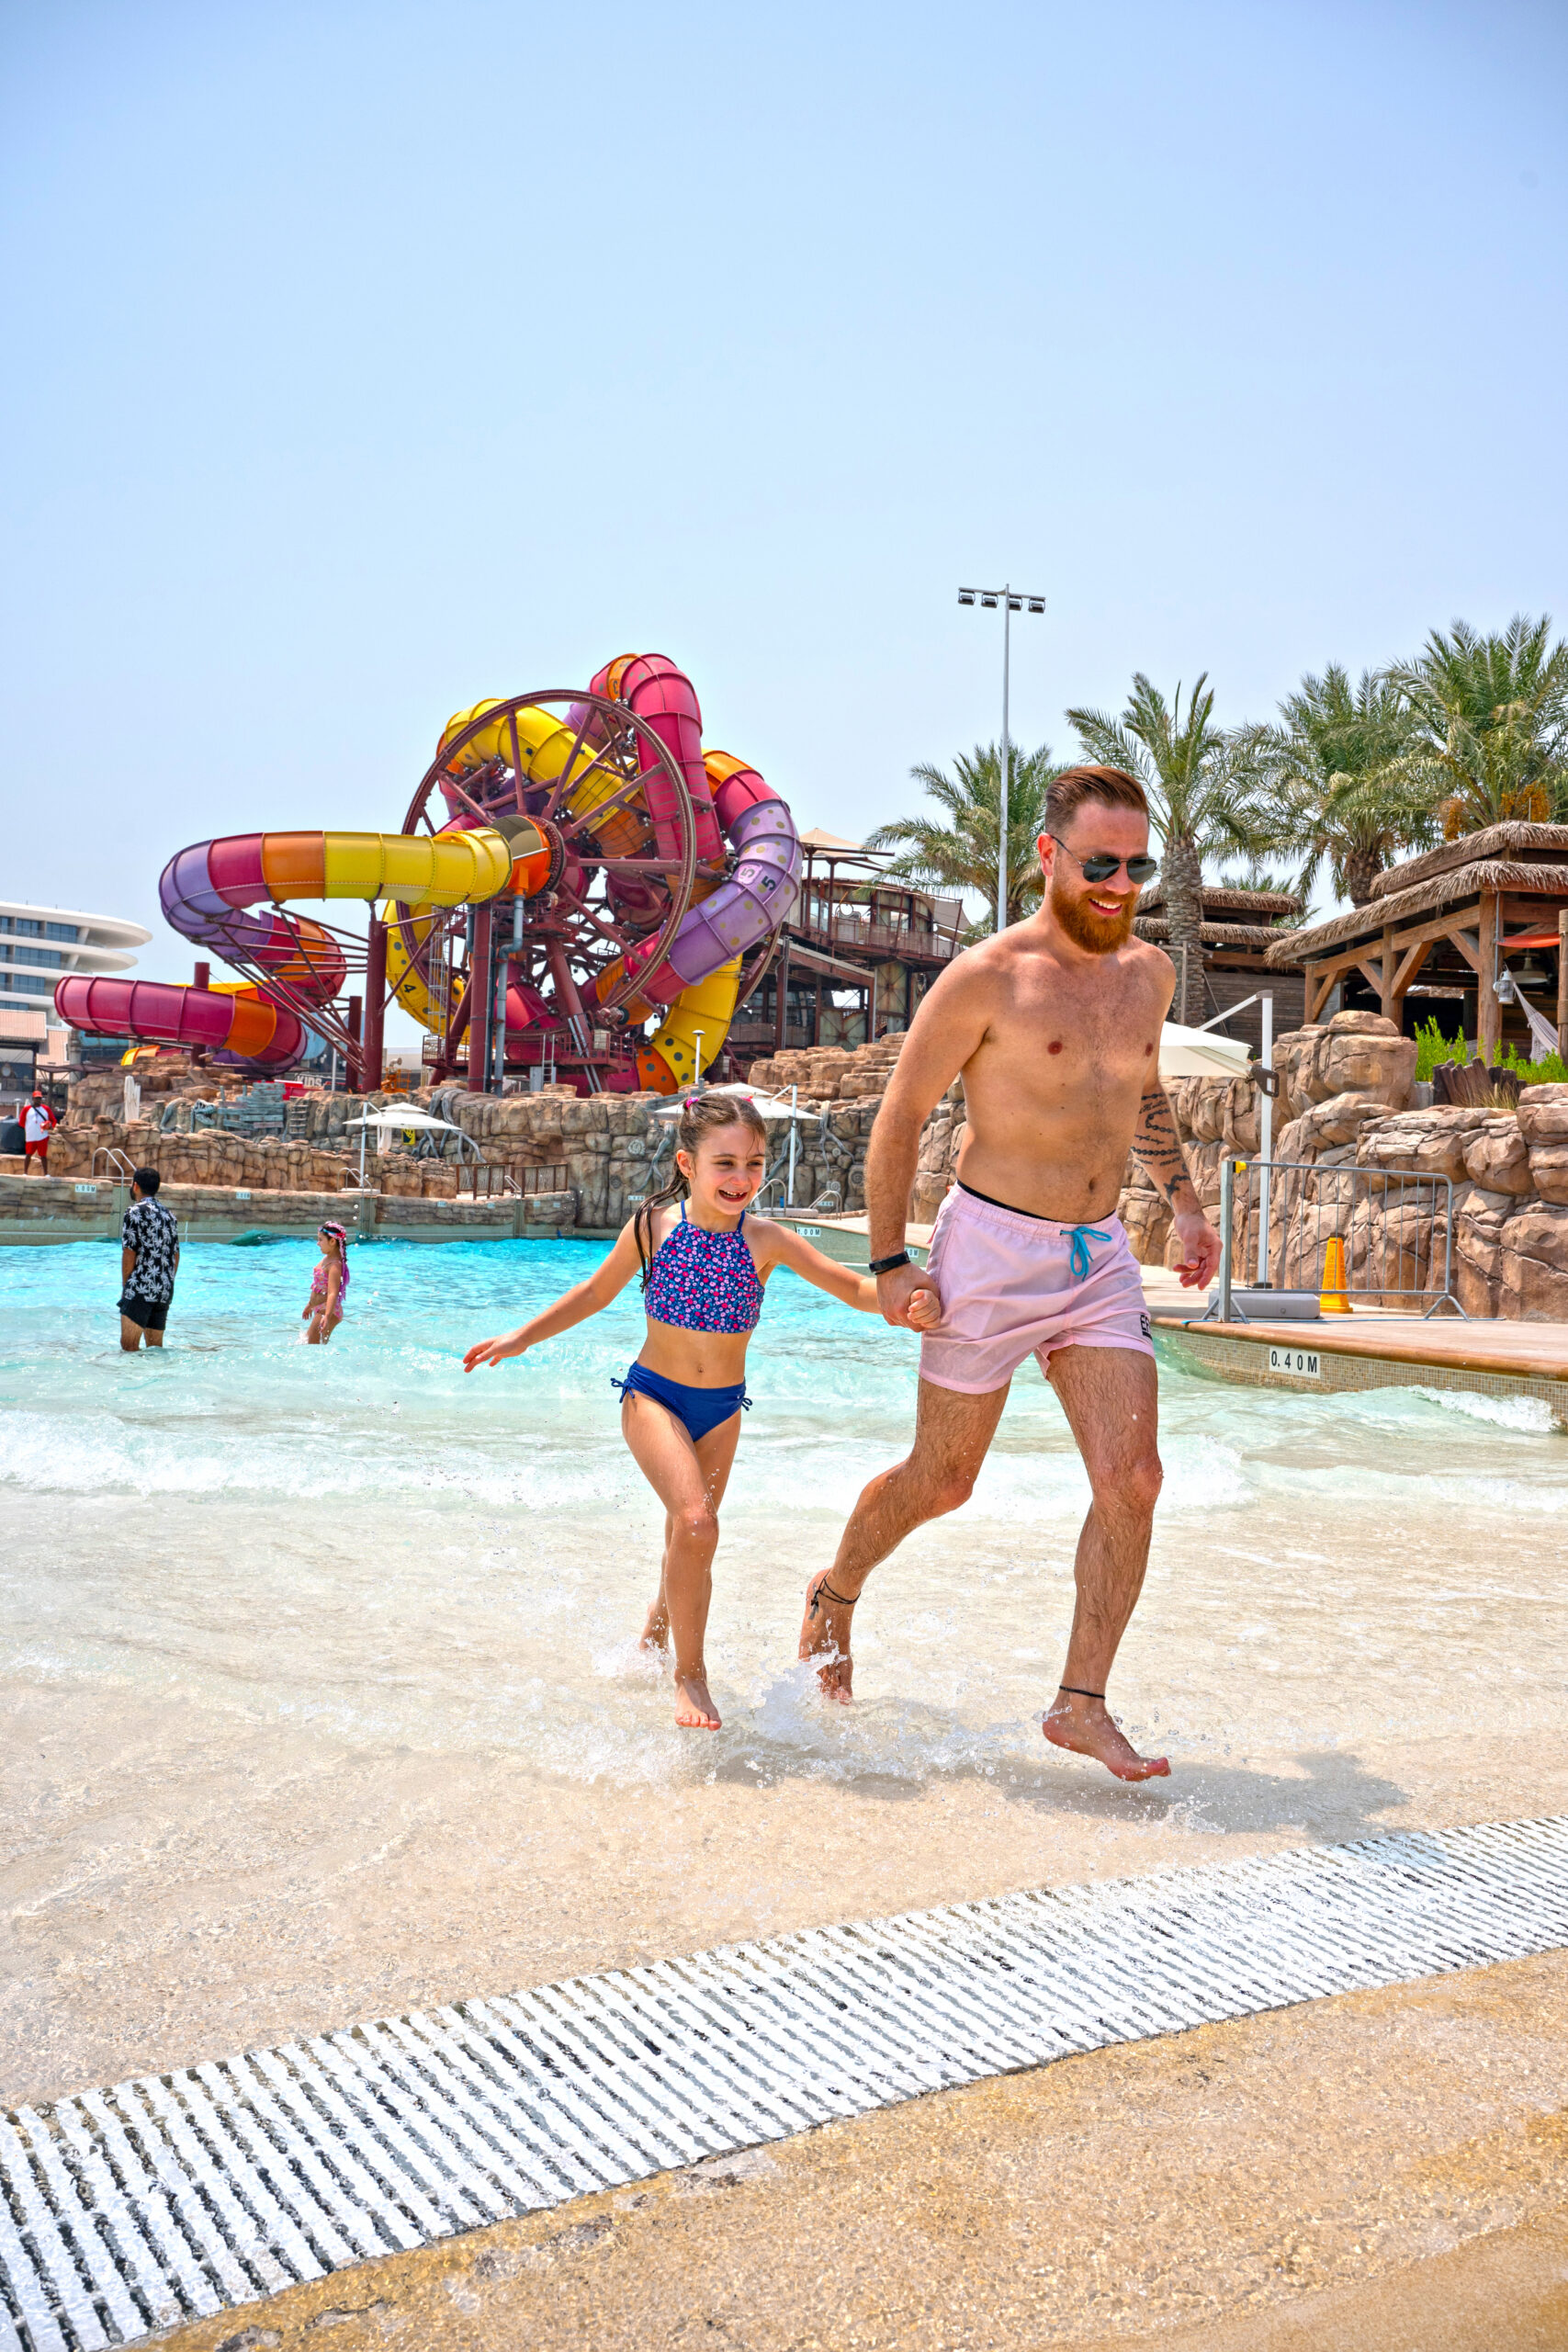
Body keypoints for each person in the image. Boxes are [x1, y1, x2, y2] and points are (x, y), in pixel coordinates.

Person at [798, 764, 1223, 1784]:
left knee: (1136, 1478)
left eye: (1137, 864)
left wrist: (1187, 1200)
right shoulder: (987, 976)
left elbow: (1144, 1092)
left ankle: (1081, 1702)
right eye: (1101, 863)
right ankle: (837, 1589)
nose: (1121, 883)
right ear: (1049, 855)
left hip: (1097, 1257)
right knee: (943, 1481)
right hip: (987, 1250)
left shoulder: (1150, 976)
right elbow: (899, 1118)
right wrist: (893, 1260)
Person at [464, 1092, 940, 1731]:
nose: (740, 1178)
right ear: (687, 1163)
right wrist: (522, 1337)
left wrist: (901, 1298)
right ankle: (690, 1676)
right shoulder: (651, 1227)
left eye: (753, 1163)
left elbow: (852, 1286)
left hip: (721, 1411)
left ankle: (654, 1638)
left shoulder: (766, 1240)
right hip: (653, 1396)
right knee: (695, 1525)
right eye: (724, 1164)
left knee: (685, 1531)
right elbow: (594, 1292)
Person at [119, 1166, 180, 1351]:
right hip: (164, 1289)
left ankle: (132, 1379)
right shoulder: (169, 1215)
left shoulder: (134, 1212)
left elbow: (130, 1252)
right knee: (155, 1348)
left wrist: (127, 1287)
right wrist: (166, 1281)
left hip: (141, 1287)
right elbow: (176, 1255)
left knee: (129, 1346)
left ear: (135, 1186)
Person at [303, 1222, 350, 1342]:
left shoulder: (334, 1265)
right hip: (321, 1308)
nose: (317, 1243)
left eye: (320, 1240)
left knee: (311, 1344)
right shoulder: (326, 1258)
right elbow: (319, 1287)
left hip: (329, 1310)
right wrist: (310, 1305)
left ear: (332, 1242)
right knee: (311, 1342)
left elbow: (332, 1293)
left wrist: (327, 1316)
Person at [22, 1089, 55, 1174]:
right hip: (31, 1137)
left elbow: (53, 1120)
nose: (38, 1100)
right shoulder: (26, 1109)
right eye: (36, 1098)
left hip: (42, 1136)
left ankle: (46, 1173)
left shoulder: (46, 1109)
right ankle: (25, 1172)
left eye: (39, 1098)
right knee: (28, 1154)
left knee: (43, 1156)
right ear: (33, 1099)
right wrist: (30, 1128)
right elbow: (21, 1122)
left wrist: (50, 1125)